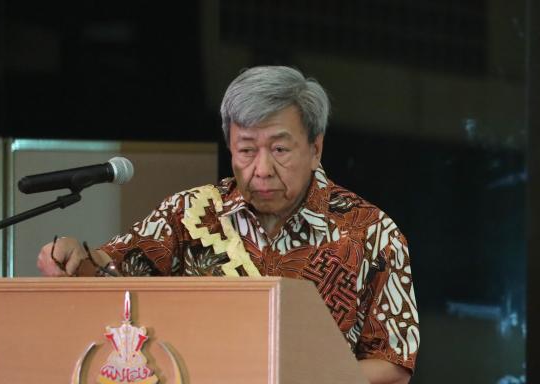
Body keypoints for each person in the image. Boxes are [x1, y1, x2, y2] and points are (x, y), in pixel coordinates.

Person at [38, 66, 419, 383]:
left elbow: (393, 364)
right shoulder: (189, 214)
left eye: (280, 149)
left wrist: (294, 376)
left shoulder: (369, 231)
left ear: (315, 148)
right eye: (247, 150)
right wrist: (75, 258)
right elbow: (111, 274)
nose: (262, 169)